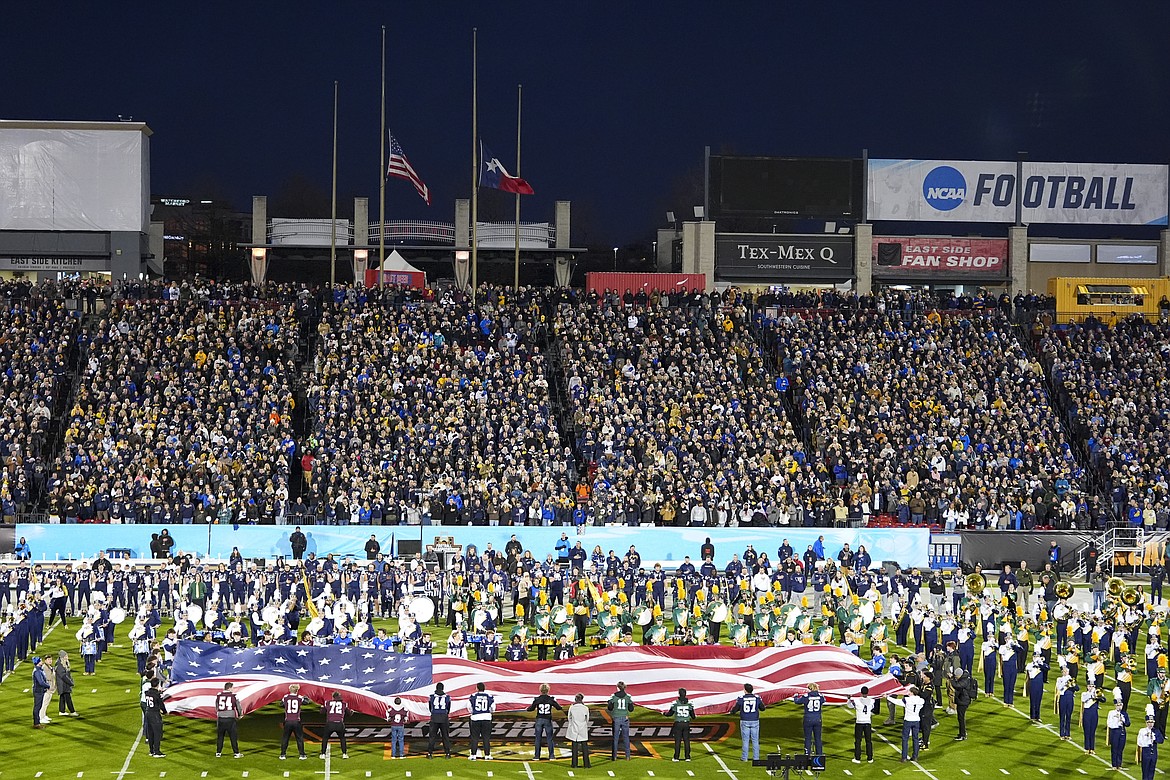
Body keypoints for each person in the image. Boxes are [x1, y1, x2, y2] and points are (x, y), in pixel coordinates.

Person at [730, 683, 765, 762]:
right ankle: (756, 758)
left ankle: (744, 757)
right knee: (755, 740)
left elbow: (735, 709)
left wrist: (731, 712)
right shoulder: (757, 698)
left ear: (745, 690)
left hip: (745, 720)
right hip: (755, 720)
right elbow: (762, 708)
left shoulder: (741, 698)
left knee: (745, 740)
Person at [890, 685, 925, 763]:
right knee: (915, 739)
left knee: (905, 739)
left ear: (912, 692)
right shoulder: (921, 700)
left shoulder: (907, 700)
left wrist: (888, 697)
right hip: (916, 720)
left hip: (908, 720)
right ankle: (915, 756)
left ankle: (904, 757)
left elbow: (897, 702)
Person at [528, 683, 563, 759]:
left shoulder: (537, 699)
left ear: (540, 690)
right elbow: (559, 708)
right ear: (548, 690)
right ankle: (551, 756)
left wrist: (528, 708)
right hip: (547, 720)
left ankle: (537, 756)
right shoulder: (551, 699)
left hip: (539, 719)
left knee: (538, 738)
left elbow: (531, 709)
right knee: (549, 738)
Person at [792, 683, 825, 756]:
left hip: (808, 718)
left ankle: (807, 755)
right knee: (818, 738)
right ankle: (819, 755)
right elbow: (823, 700)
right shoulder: (820, 696)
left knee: (808, 738)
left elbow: (797, 701)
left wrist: (795, 696)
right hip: (817, 719)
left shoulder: (806, 696)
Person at [846, 686, 876, 763]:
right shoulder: (872, 701)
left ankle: (857, 758)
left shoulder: (857, 701)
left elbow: (849, 706)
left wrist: (849, 699)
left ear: (861, 692)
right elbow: (872, 707)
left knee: (858, 741)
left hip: (859, 722)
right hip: (868, 722)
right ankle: (870, 758)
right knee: (868, 741)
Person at [279, 684, 309, 760]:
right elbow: (306, 702)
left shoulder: (285, 697)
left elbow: (281, 704)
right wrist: (305, 696)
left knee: (285, 738)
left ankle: (283, 754)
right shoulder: (299, 697)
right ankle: (302, 755)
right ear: (297, 690)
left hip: (288, 720)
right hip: (296, 721)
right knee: (299, 738)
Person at [214, 681, 243, 758]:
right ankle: (236, 753)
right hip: (230, 718)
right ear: (229, 688)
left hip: (221, 718)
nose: (233, 689)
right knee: (233, 736)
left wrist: (219, 713)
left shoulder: (219, 695)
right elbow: (238, 706)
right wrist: (240, 715)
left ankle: (218, 752)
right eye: (232, 688)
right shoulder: (234, 696)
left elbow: (216, 706)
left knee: (220, 736)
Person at [607, 680, 634, 760]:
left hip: (616, 718)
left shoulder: (614, 696)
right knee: (626, 737)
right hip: (625, 718)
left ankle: (614, 756)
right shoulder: (628, 696)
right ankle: (628, 756)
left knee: (615, 738)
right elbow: (631, 709)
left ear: (618, 687)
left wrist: (610, 702)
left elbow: (610, 708)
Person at [468, 682, 495, 760]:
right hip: (486, 718)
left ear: (477, 688)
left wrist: (474, 713)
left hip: (476, 718)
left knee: (475, 737)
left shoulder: (473, 696)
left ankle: (473, 755)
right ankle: (487, 755)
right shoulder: (489, 696)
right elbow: (493, 708)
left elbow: (469, 708)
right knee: (486, 738)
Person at [142, 677, 167, 757]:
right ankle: (157, 751)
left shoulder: (147, 692)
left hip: (148, 712)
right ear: (157, 684)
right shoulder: (157, 694)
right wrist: (165, 712)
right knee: (157, 733)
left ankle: (151, 751)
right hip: (155, 715)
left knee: (150, 733)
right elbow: (161, 705)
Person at [426, 682, 453, 758]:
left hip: (434, 717)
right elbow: (448, 708)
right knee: (445, 736)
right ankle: (447, 753)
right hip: (444, 717)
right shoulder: (447, 697)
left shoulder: (431, 697)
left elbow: (430, 707)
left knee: (432, 736)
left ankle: (430, 753)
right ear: (443, 688)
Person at [320, 692, 349, 759]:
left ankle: (323, 754)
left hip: (330, 723)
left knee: (325, 738)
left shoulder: (328, 702)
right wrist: (352, 711)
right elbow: (349, 713)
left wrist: (322, 707)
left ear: (333, 697)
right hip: (339, 723)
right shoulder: (344, 704)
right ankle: (344, 754)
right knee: (342, 738)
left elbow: (322, 712)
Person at [667, 688, 693, 761]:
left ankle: (676, 757)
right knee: (686, 741)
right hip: (686, 723)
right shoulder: (689, 703)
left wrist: (664, 713)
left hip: (678, 723)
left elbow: (670, 713)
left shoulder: (675, 703)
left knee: (678, 741)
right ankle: (687, 757)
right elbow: (693, 716)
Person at [567, 693, 592, 768]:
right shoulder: (585, 708)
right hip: (582, 728)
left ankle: (574, 764)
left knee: (574, 747)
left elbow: (569, 718)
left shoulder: (572, 707)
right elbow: (587, 719)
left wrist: (572, 724)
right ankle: (586, 764)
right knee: (584, 747)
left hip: (574, 727)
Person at [1137, 715, 1163, 780]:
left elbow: (1161, 740)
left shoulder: (1156, 731)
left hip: (1154, 753)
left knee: (1152, 770)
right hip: (1146, 752)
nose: (1150, 724)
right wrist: (1148, 742)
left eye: (1152, 722)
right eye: (1149, 722)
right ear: (1146, 723)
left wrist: (1155, 738)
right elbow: (1139, 742)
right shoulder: (1142, 731)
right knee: (1145, 770)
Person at [952, 668, 974, 741]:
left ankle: (963, 735)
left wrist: (952, 680)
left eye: (956, 676)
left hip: (963, 701)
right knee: (960, 718)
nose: (956, 677)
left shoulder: (964, 680)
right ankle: (963, 732)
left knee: (961, 718)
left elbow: (957, 686)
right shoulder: (965, 678)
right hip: (962, 700)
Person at [1108, 700, 1130, 770]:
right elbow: (1109, 724)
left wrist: (1123, 719)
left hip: (1122, 732)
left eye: (1120, 705)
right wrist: (1117, 723)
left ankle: (1119, 764)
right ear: (1115, 705)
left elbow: (1128, 724)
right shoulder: (1111, 713)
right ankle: (1114, 764)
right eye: (1117, 705)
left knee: (1120, 748)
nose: (1119, 706)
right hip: (1114, 732)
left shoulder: (1124, 714)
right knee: (1114, 748)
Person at [1082, 683, 1103, 756]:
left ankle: (1092, 748)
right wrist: (1092, 695)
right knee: (1087, 731)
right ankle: (1087, 748)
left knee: (1093, 731)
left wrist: (1098, 696)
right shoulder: (1084, 693)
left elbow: (1103, 700)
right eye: (1089, 686)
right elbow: (1084, 699)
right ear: (1087, 687)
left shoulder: (1097, 692)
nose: (1091, 687)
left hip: (1094, 713)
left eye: (1093, 686)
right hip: (1087, 713)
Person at [55, 650, 77, 717]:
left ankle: (62, 711)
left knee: (63, 697)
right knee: (68, 698)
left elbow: (68, 674)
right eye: (65, 656)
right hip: (63, 684)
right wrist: (70, 682)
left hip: (64, 684)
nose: (67, 657)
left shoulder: (65, 663)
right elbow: (63, 676)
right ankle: (72, 711)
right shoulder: (59, 665)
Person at [31, 656, 50, 728]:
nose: (42, 661)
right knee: (37, 707)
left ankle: (37, 722)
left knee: (38, 706)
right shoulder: (37, 671)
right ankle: (36, 723)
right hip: (38, 691)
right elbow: (41, 682)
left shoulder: (39, 670)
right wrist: (47, 686)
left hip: (40, 690)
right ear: (38, 662)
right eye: (40, 661)